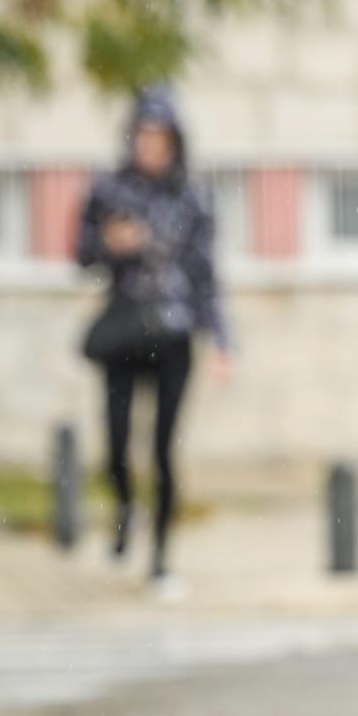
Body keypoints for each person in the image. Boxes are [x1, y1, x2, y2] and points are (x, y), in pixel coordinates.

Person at [75, 86, 232, 593]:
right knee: (117, 443)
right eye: (143, 133)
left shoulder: (194, 197)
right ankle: (124, 510)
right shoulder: (109, 189)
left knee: (164, 450)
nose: (150, 144)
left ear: (174, 141)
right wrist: (109, 245)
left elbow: (206, 275)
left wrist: (223, 342)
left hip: (175, 335)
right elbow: (80, 255)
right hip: (124, 329)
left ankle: (161, 560)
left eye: (159, 135)